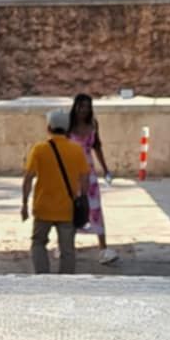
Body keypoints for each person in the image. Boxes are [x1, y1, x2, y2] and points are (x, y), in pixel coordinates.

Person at [21, 107, 91, 274]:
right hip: (67, 209)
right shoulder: (76, 150)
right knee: (67, 249)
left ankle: (43, 276)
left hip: (43, 207)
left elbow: (28, 178)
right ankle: (65, 282)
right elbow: (85, 179)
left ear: (49, 128)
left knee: (38, 243)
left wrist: (24, 204)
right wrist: (82, 198)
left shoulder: (39, 149)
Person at [68, 92, 118, 265]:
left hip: (89, 174)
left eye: (87, 107)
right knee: (72, 209)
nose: (83, 110)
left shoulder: (93, 125)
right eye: (81, 107)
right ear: (75, 107)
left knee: (95, 208)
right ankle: (67, 246)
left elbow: (97, 147)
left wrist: (106, 169)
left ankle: (103, 248)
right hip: (72, 173)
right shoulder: (68, 126)